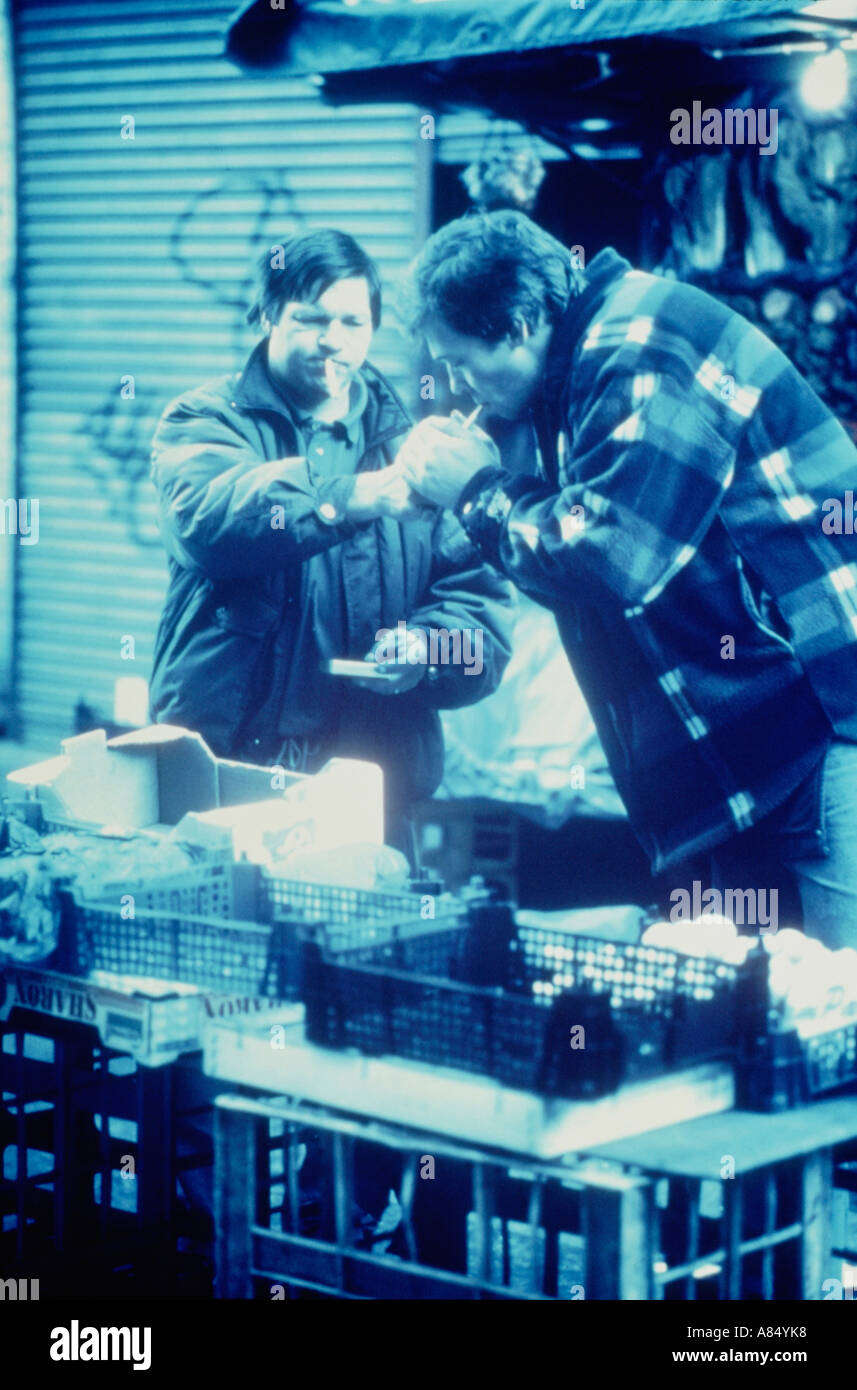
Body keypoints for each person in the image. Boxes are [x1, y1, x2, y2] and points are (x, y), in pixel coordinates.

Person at [398, 210, 857, 946]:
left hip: (819, 730)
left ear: (518, 323)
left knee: (838, 1013)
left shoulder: (640, 342)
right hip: (747, 759)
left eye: (459, 363)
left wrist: (478, 489)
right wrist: (468, 512)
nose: (457, 386)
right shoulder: (578, 367)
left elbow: (612, 558)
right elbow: (582, 576)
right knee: (762, 1015)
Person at [148, 229, 513, 859]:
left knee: (353, 946)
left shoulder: (419, 452)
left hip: (373, 790)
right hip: (230, 774)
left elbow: (483, 621)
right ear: (266, 316)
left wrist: (427, 649)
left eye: (353, 321)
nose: (333, 341)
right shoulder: (204, 419)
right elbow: (212, 520)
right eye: (310, 318)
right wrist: (356, 496)